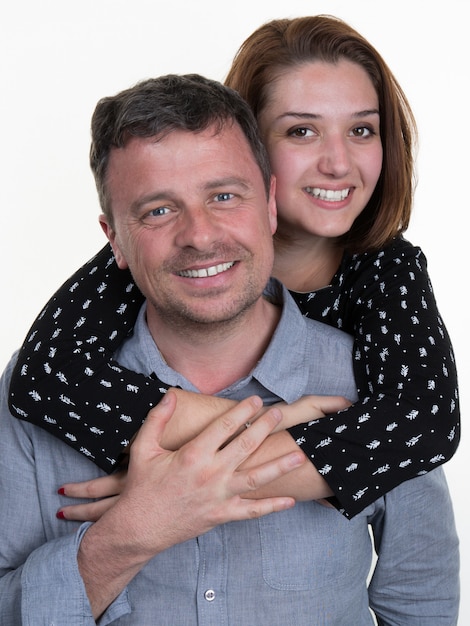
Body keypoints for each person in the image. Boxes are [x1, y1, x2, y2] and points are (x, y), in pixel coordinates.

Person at [0, 73, 459, 625]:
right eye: (157, 211)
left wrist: (224, 462)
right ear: (113, 238)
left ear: (266, 201)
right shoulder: (42, 383)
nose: (199, 234)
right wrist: (134, 531)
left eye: (223, 195)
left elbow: (420, 605)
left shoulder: (379, 383)